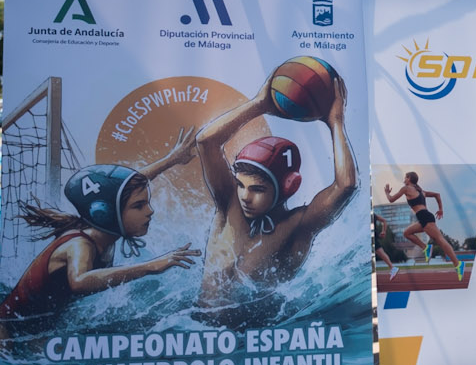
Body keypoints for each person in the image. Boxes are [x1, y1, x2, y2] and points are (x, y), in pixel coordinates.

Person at [0, 131, 200, 323]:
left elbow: (122, 187)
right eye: (139, 206)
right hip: (9, 329)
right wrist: (151, 266)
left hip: (38, 324)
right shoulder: (80, 244)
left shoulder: (103, 230)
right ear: (107, 214)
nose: (150, 211)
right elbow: (79, 281)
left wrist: (172, 159)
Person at [194, 76, 357, 310]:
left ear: (288, 187)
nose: (245, 197)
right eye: (241, 185)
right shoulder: (229, 204)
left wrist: (336, 123)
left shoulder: (298, 225)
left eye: (257, 189)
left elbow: (346, 186)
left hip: (253, 337)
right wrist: (259, 104)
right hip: (195, 325)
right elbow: (205, 142)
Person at [384, 171, 460, 270]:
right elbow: (437, 195)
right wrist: (440, 209)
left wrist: (387, 193)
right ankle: (425, 248)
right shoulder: (421, 191)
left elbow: (391, 199)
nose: (404, 179)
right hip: (424, 217)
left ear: (409, 179)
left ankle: (458, 265)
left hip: (425, 217)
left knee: (441, 241)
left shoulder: (406, 189)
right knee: (407, 233)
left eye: (406, 177)